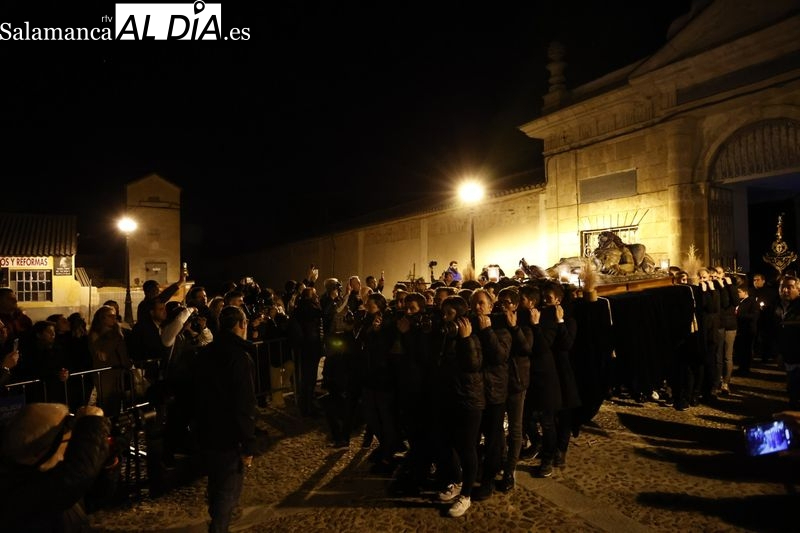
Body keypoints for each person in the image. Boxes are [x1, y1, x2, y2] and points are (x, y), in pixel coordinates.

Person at [192, 305, 257, 533]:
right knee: (227, 493)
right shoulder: (240, 357)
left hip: (207, 429)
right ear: (241, 325)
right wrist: (248, 444)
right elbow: (244, 403)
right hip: (229, 435)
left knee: (216, 485)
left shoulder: (206, 353)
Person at [0, 402, 111, 532]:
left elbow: (90, 499)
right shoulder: (19, 493)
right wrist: (92, 425)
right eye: (68, 441)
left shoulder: (50, 480)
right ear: (40, 452)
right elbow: (75, 478)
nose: (71, 448)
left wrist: (106, 462)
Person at [776, 276, 800, 409]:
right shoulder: (779, 306)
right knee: (792, 391)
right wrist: (780, 353)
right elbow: (780, 333)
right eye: (782, 287)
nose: (785, 290)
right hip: (789, 357)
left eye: (790, 287)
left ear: (798, 289)